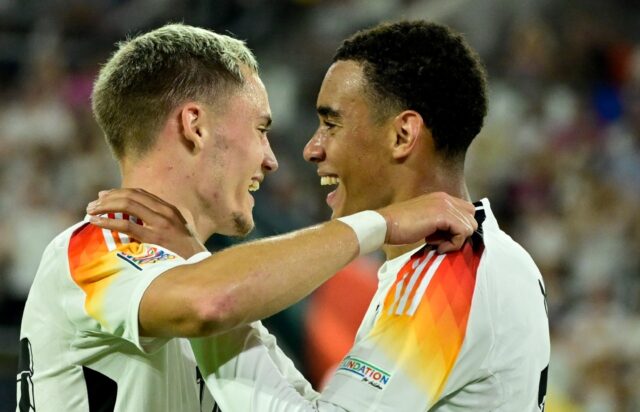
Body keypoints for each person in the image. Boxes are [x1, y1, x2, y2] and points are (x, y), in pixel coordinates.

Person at [91, 20, 550, 411]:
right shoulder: (476, 260)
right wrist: (200, 264)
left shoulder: (454, 271)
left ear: (403, 135)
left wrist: (199, 282)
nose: (312, 148)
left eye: (331, 123)